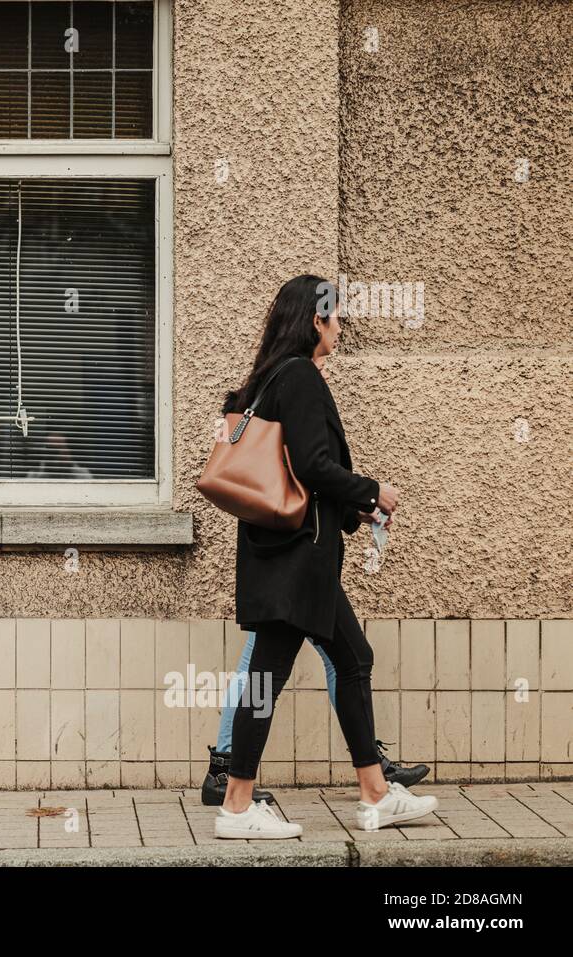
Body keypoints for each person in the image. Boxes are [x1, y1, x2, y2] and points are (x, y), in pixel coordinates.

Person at [213, 275, 438, 839]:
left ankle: (375, 791)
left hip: (284, 553)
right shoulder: (302, 378)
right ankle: (236, 807)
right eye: (334, 317)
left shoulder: (268, 379)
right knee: (269, 673)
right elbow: (313, 466)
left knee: (351, 656)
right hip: (298, 561)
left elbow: (296, 475)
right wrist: (369, 491)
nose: (340, 327)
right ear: (315, 320)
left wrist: (349, 509)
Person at [200, 629, 430, 807]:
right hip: (294, 579)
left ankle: (224, 772)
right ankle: (374, 773)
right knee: (341, 662)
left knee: (339, 660)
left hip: (291, 578)